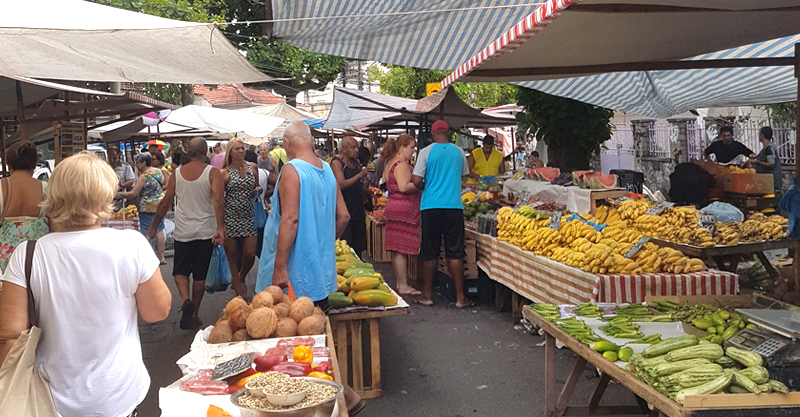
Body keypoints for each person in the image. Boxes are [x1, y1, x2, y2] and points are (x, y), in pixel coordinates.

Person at [0, 152, 171, 417]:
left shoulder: (27, 254)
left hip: (51, 400)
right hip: (118, 395)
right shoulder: (131, 245)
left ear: (53, 193)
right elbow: (157, 312)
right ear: (105, 194)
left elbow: (9, 338)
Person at [255, 121, 365, 416]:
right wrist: (322, 244)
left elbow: (290, 220)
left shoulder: (292, 170)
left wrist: (279, 267)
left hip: (295, 275)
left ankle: (330, 400)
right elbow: (343, 216)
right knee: (314, 343)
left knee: (292, 343)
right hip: (320, 272)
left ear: (288, 145)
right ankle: (342, 398)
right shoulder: (327, 169)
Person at [147, 137, 225, 330]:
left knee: (180, 271)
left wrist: (153, 226)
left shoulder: (177, 174)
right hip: (205, 232)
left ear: (188, 153)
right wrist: (221, 228)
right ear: (206, 152)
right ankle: (195, 313)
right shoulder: (213, 173)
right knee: (199, 276)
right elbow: (218, 200)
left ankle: (185, 300)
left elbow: (166, 202)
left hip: (183, 232)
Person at [412, 120, 470, 308]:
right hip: (454, 206)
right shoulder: (459, 152)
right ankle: (460, 298)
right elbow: (463, 174)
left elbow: (416, 179)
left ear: (433, 133)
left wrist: (425, 185)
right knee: (455, 252)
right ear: (449, 133)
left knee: (430, 252)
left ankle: (427, 295)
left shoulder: (426, 152)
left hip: (431, 206)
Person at [0, 142, 49, 280]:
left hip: (4, 267)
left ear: (8, 165)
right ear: (34, 164)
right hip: (37, 262)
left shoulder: (0, 188)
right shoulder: (47, 189)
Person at [381, 135, 422, 296]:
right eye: (411, 148)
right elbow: (404, 187)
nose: (413, 151)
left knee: (397, 248)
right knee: (401, 249)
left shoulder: (390, 163)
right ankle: (403, 285)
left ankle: (400, 283)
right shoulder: (402, 164)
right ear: (402, 147)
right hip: (403, 210)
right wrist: (420, 184)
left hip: (393, 207)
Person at [221, 137, 260, 298]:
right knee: (231, 255)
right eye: (237, 149)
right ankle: (238, 290)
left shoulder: (252, 167)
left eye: (242, 148)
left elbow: (256, 185)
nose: (241, 151)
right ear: (230, 152)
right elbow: (218, 197)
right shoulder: (224, 173)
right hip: (230, 218)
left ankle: (241, 276)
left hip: (249, 216)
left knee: (250, 253)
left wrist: (257, 189)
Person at [118, 153, 167, 264]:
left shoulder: (143, 177)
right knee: (160, 229)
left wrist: (118, 194)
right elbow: (162, 183)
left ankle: (148, 257)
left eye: (138, 162)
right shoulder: (157, 171)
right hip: (160, 204)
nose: (136, 164)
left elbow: (133, 193)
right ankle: (162, 257)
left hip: (147, 206)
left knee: (146, 231)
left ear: (144, 163)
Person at [331, 136, 368, 257]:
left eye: (357, 147)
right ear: (344, 149)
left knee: (358, 246)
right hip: (345, 210)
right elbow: (340, 184)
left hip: (358, 210)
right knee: (346, 246)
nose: (356, 150)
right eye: (353, 147)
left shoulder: (355, 163)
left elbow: (356, 184)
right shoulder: (337, 162)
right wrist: (360, 175)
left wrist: (366, 191)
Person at [751, 126, 782, 195]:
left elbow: (771, 163)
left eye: (759, 134)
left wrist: (757, 162)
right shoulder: (767, 148)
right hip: (768, 181)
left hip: (772, 181)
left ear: (762, 135)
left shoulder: (769, 148)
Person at [108, 147, 136, 211]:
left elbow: (131, 180)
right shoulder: (104, 166)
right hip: (107, 198)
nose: (112, 160)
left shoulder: (125, 166)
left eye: (114, 158)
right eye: (110, 158)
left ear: (118, 155)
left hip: (120, 198)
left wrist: (121, 186)